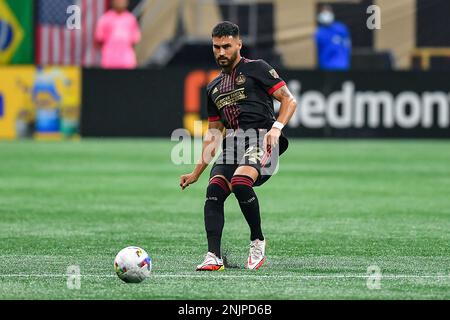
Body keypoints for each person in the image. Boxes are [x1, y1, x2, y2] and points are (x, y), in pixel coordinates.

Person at [180, 21, 297, 271]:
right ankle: (214, 256)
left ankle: (257, 240)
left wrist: (276, 129)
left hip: (263, 139)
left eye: (226, 46)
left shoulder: (258, 68)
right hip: (233, 145)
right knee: (214, 190)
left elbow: (289, 100)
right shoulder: (213, 87)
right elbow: (213, 134)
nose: (221, 52)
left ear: (239, 44)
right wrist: (196, 172)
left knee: (241, 182)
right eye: (216, 47)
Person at [95, 0, 141, 69]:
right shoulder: (105, 18)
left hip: (127, 61)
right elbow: (99, 40)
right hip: (109, 61)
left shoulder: (131, 19)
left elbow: (134, 41)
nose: (120, 2)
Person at [315, 5, 352, 70]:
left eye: (328, 12)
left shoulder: (341, 28)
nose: (326, 15)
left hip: (342, 66)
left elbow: (348, 45)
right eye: (323, 13)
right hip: (325, 68)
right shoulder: (319, 32)